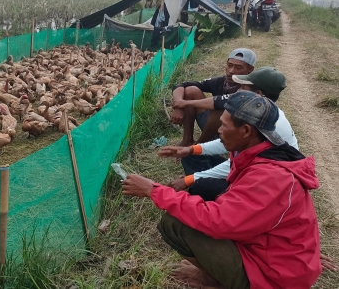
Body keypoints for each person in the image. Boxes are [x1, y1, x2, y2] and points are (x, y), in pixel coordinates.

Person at [122, 91, 321, 288]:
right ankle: (217, 273)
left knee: (175, 223)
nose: (219, 130)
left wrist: (154, 190)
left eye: (224, 126)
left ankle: (215, 280)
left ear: (245, 131)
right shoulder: (264, 151)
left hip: (274, 277)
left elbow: (217, 221)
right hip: (274, 255)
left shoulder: (271, 178)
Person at [161, 67, 296, 200]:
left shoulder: (267, 125)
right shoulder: (260, 114)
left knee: (201, 185)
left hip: (265, 183)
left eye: (243, 88)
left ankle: (205, 194)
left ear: (258, 94)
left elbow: (233, 164)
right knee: (191, 155)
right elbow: (228, 142)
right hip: (250, 170)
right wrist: (191, 149)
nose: (238, 91)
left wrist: (191, 179)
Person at [171, 48, 255, 146]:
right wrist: (179, 105)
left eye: (238, 68)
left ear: (250, 70)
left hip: (235, 134)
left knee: (220, 110)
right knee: (191, 90)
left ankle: (199, 146)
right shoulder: (221, 82)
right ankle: (187, 140)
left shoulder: (251, 88)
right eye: (229, 65)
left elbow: (221, 102)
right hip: (213, 128)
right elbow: (182, 85)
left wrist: (185, 103)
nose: (231, 71)